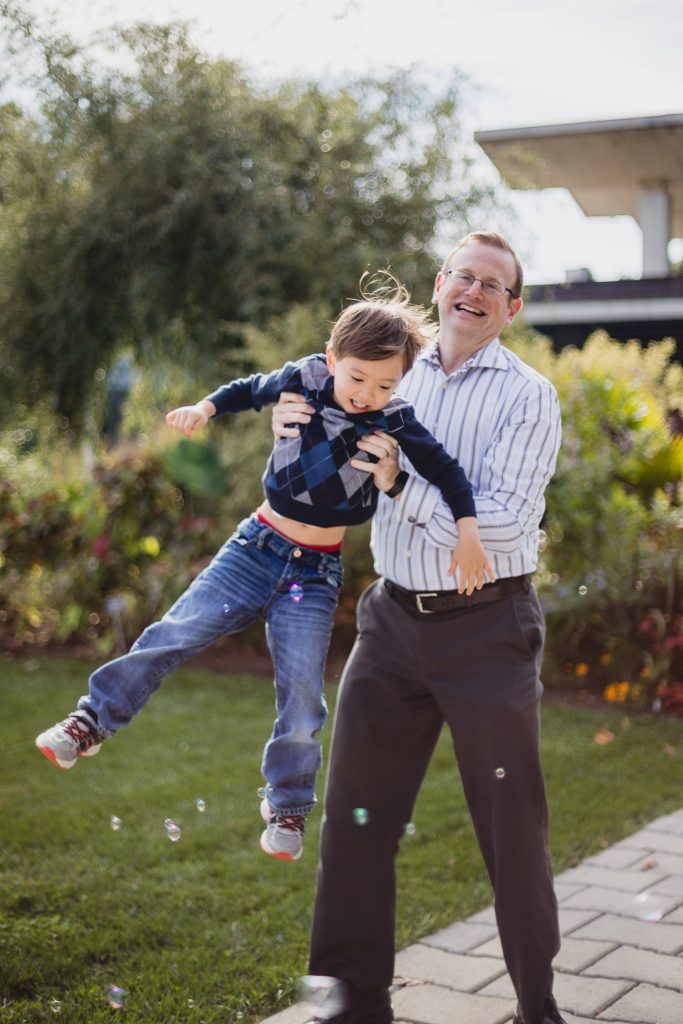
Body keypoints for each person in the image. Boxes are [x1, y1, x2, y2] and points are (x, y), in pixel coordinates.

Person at [35, 280, 492, 863]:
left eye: (385, 384)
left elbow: (449, 474)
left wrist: (470, 532)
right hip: (255, 548)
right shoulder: (302, 379)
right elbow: (250, 389)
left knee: (303, 693)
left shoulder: (395, 422)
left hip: (316, 572)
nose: (367, 394)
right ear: (332, 361)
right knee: (174, 633)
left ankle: (288, 805)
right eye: (356, 378)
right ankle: (89, 724)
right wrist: (204, 408)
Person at [271, 233, 565, 1023]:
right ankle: (353, 997)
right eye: (462, 275)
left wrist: (402, 486)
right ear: (438, 285)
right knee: (357, 818)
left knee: (510, 827)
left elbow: (501, 529)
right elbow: (320, 441)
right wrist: (290, 425)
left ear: (511, 307)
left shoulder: (527, 395)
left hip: (487, 632)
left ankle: (536, 1008)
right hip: (391, 624)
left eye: (491, 284)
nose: (473, 291)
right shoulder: (388, 370)